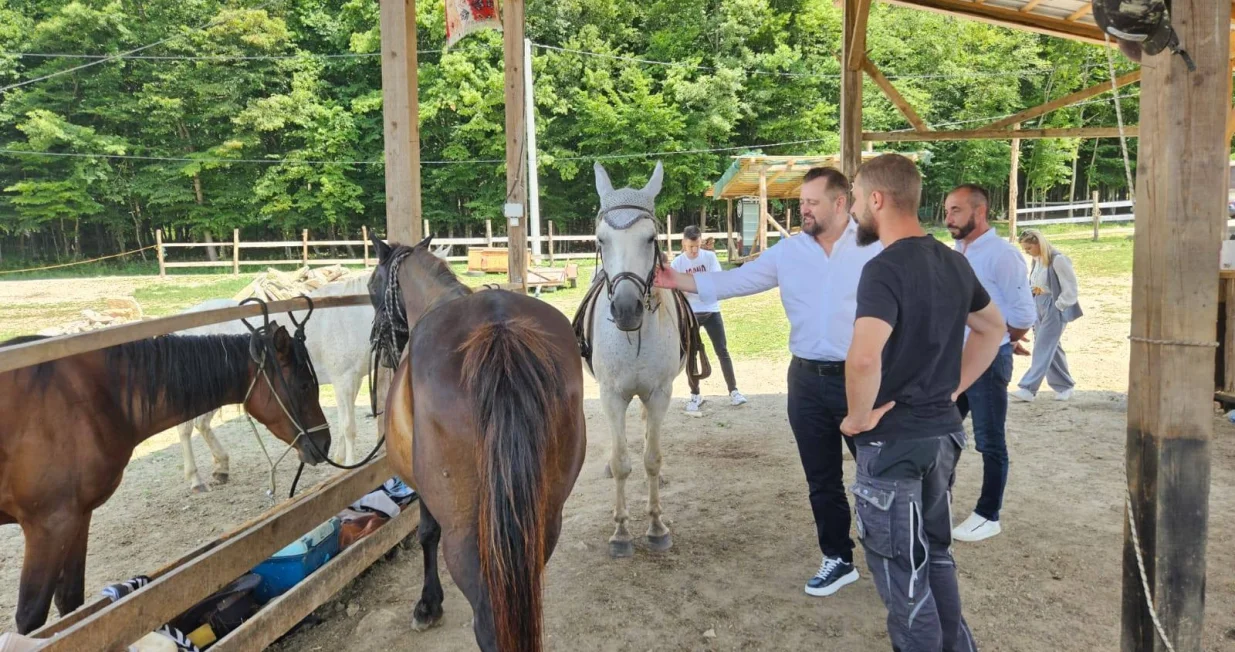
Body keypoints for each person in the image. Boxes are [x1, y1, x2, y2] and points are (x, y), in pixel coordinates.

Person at [653, 166, 881, 597]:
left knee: (878, 473)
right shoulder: (789, 252)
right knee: (822, 478)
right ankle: (838, 557)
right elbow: (734, 281)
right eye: (802, 203)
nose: (804, 210)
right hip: (807, 382)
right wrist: (674, 279)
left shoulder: (876, 246)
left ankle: (892, 555)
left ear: (839, 203)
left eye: (812, 203)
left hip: (864, 378)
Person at [841, 153, 1004, 652]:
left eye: (853, 199)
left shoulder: (883, 269)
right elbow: (992, 328)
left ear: (876, 199)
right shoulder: (953, 261)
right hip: (942, 437)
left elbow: (864, 359)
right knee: (936, 556)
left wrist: (858, 417)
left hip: (894, 445)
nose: (851, 210)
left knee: (902, 577)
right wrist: (951, 389)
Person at [944, 184, 1036, 543]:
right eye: (947, 210)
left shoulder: (1001, 255)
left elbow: (1024, 313)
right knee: (944, 432)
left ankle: (988, 513)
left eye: (955, 211)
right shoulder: (955, 252)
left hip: (987, 361)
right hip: (955, 359)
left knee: (989, 440)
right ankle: (939, 498)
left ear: (979, 213)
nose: (947, 217)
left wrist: (1000, 341)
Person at [670, 224, 747, 415]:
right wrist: (695, 286)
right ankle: (695, 394)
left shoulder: (710, 257)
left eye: (697, 246)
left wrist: (689, 286)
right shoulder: (678, 263)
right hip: (691, 314)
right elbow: (674, 288)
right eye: (690, 247)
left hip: (711, 310)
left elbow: (715, 282)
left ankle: (734, 391)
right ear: (683, 244)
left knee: (722, 350)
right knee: (691, 354)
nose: (694, 250)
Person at [1009, 229, 1082, 402]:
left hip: (1053, 306)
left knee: (1043, 346)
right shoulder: (1037, 261)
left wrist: (1058, 306)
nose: (1027, 252)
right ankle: (1065, 386)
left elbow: (1071, 287)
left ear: (1038, 244)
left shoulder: (1058, 260)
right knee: (1052, 348)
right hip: (1038, 305)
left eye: (1028, 248)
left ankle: (1028, 388)